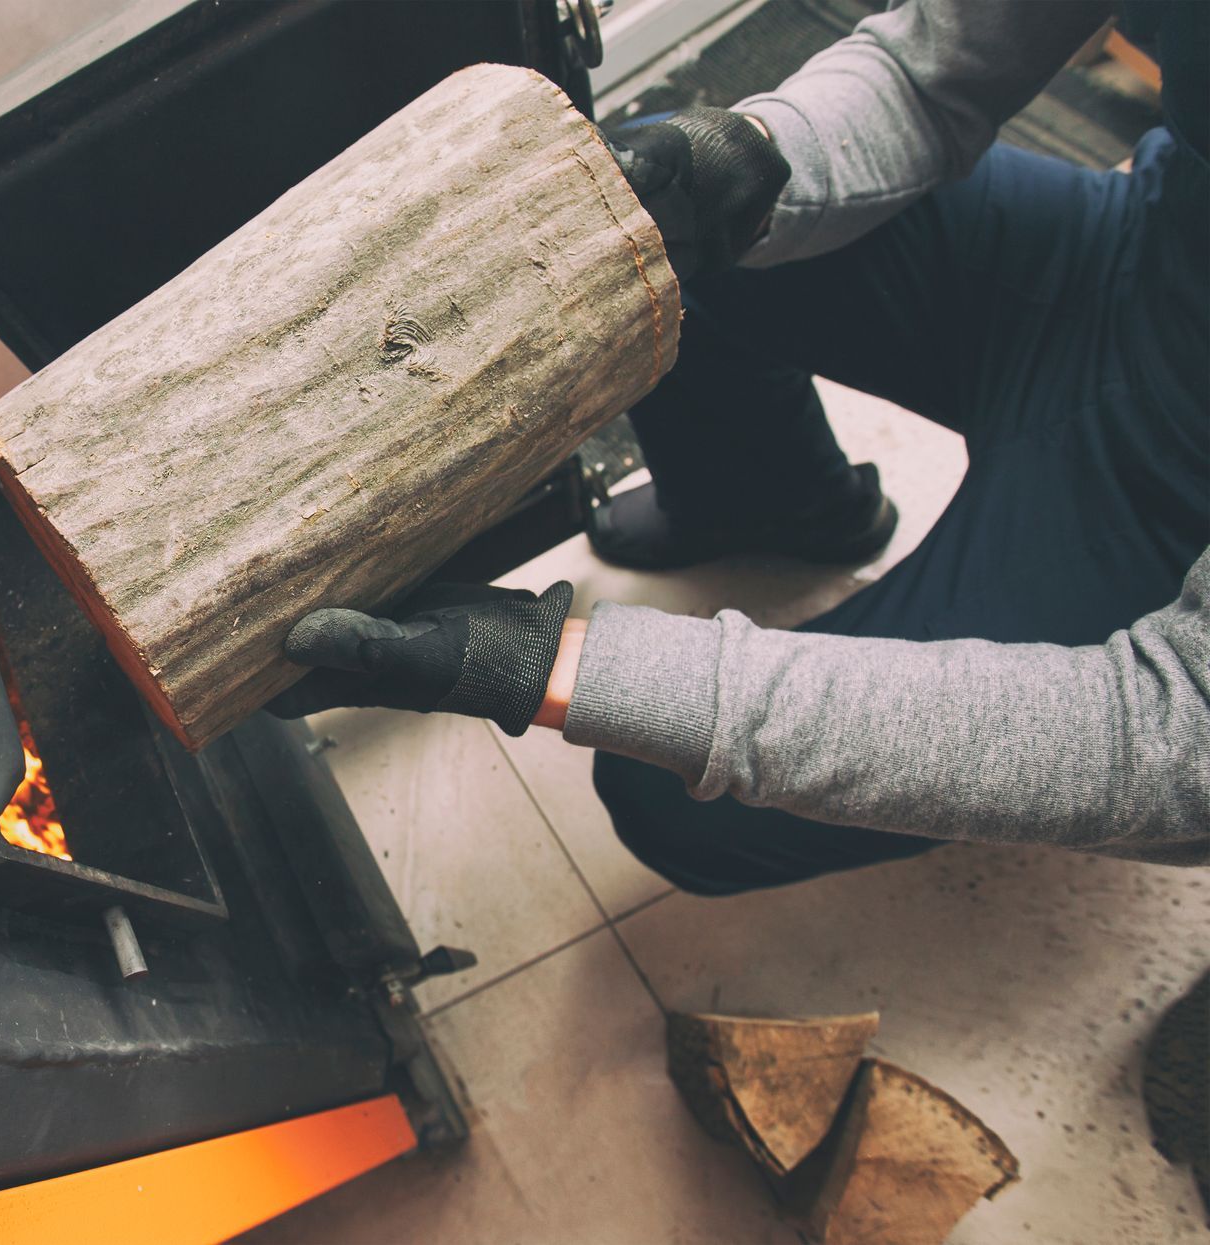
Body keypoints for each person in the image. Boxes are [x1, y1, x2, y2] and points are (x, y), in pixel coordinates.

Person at [271, 0, 1207, 893]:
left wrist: (552, 669)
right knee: (659, 235)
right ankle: (775, 502)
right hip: (1144, 262)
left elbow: (1172, 739)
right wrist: (752, 159)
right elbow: (934, 72)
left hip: (1170, 532)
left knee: (673, 787)